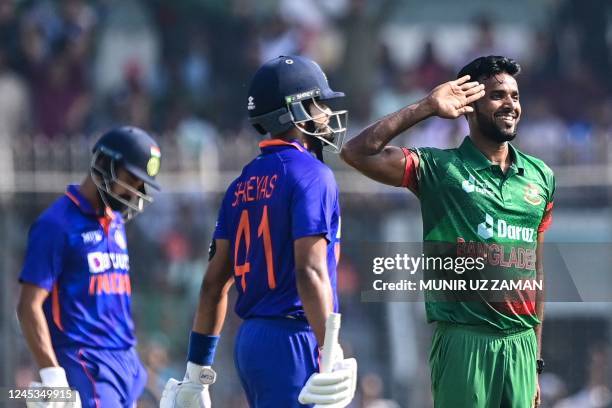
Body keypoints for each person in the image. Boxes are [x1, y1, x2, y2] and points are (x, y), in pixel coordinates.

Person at [341, 56, 555, 408]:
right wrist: (425, 107)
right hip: (463, 343)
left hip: (521, 346)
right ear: (469, 105)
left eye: (515, 96)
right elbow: (356, 153)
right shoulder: (440, 169)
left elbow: (536, 271)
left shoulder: (540, 177)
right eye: (498, 95)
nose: (511, 105)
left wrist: (534, 361)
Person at [160, 55, 357, 408]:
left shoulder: (241, 184)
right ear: (294, 111)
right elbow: (309, 271)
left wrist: (196, 372)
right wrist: (331, 348)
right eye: (318, 103)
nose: (326, 113)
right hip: (296, 337)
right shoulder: (313, 174)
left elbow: (212, 284)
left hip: (252, 339)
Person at [17, 126, 162, 407]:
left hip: (125, 362)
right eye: (131, 179)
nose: (135, 192)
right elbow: (28, 305)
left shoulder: (115, 221)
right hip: (84, 363)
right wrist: (51, 374)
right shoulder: (56, 225)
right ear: (105, 165)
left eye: (142, 184)